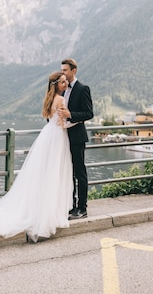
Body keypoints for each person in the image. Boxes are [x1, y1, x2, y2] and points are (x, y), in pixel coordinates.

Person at [0, 71, 73, 242]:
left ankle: (44, 207)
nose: (66, 84)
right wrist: (71, 121)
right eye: (62, 82)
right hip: (57, 137)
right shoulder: (61, 100)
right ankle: (52, 211)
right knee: (55, 171)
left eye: (65, 81)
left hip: (47, 135)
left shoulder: (49, 99)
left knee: (46, 172)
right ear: (56, 85)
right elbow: (62, 123)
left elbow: (50, 118)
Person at [57, 58, 94, 220]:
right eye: (62, 70)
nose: (62, 72)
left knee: (80, 173)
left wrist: (70, 115)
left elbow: (88, 113)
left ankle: (82, 208)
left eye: (65, 70)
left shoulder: (83, 88)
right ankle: (70, 205)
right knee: (67, 173)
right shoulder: (62, 89)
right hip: (63, 137)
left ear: (74, 71)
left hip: (77, 138)